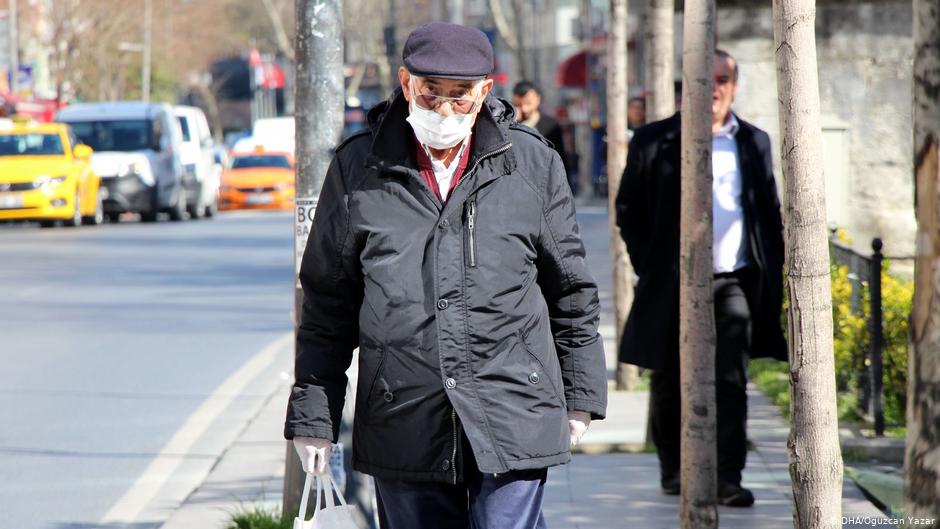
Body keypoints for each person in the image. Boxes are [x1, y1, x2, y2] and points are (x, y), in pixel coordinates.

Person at [285, 22, 608, 529]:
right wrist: (314, 418)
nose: (444, 110)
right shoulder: (358, 167)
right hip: (403, 415)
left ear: (485, 91)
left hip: (515, 407)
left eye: (460, 97)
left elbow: (570, 290)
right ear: (405, 82)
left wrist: (581, 397)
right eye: (430, 93)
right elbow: (329, 303)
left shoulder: (530, 163)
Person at [615, 49, 786, 507]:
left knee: (730, 378)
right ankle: (674, 468)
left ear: (735, 84)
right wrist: (648, 262)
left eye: (723, 78)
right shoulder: (654, 139)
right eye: (704, 78)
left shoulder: (753, 142)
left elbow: (767, 210)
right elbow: (628, 207)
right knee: (669, 377)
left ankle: (728, 475)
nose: (714, 86)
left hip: (733, 280)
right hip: (671, 281)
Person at [512, 81, 576, 194]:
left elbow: (560, 157)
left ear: (537, 99)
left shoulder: (551, 125)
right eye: (519, 104)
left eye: (528, 103)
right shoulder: (509, 125)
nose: (524, 109)